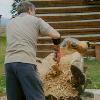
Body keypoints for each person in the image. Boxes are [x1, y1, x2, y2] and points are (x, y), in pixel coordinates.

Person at [5, 1, 61, 100]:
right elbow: (56, 35)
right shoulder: (36, 20)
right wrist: (57, 50)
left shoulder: (10, 23)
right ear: (30, 10)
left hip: (9, 64)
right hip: (25, 63)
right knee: (36, 97)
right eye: (34, 11)